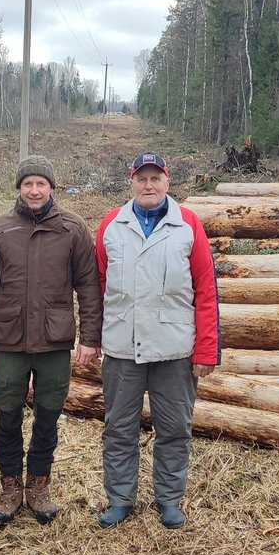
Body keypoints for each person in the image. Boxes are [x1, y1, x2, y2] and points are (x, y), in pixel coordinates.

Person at [0, 155, 102, 526]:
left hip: (55, 342)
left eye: (40, 183)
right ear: (18, 188)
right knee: (8, 416)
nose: (34, 190)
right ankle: (10, 486)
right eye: (27, 183)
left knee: (48, 418)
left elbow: (88, 286)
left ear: (51, 188)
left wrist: (89, 338)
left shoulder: (72, 229)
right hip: (8, 341)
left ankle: (39, 484)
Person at [93, 152, 220, 530]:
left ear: (167, 182)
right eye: (141, 178)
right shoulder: (111, 225)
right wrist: (94, 337)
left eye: (156, 178)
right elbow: (98, 286)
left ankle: (168, 499)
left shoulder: (188, 225)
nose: (149, 185)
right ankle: (119, 499)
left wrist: (206, 348)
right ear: (130, 182)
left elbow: (206, 290)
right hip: (122, 348)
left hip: (174, 349)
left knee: (175, 428)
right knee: (118, 428)